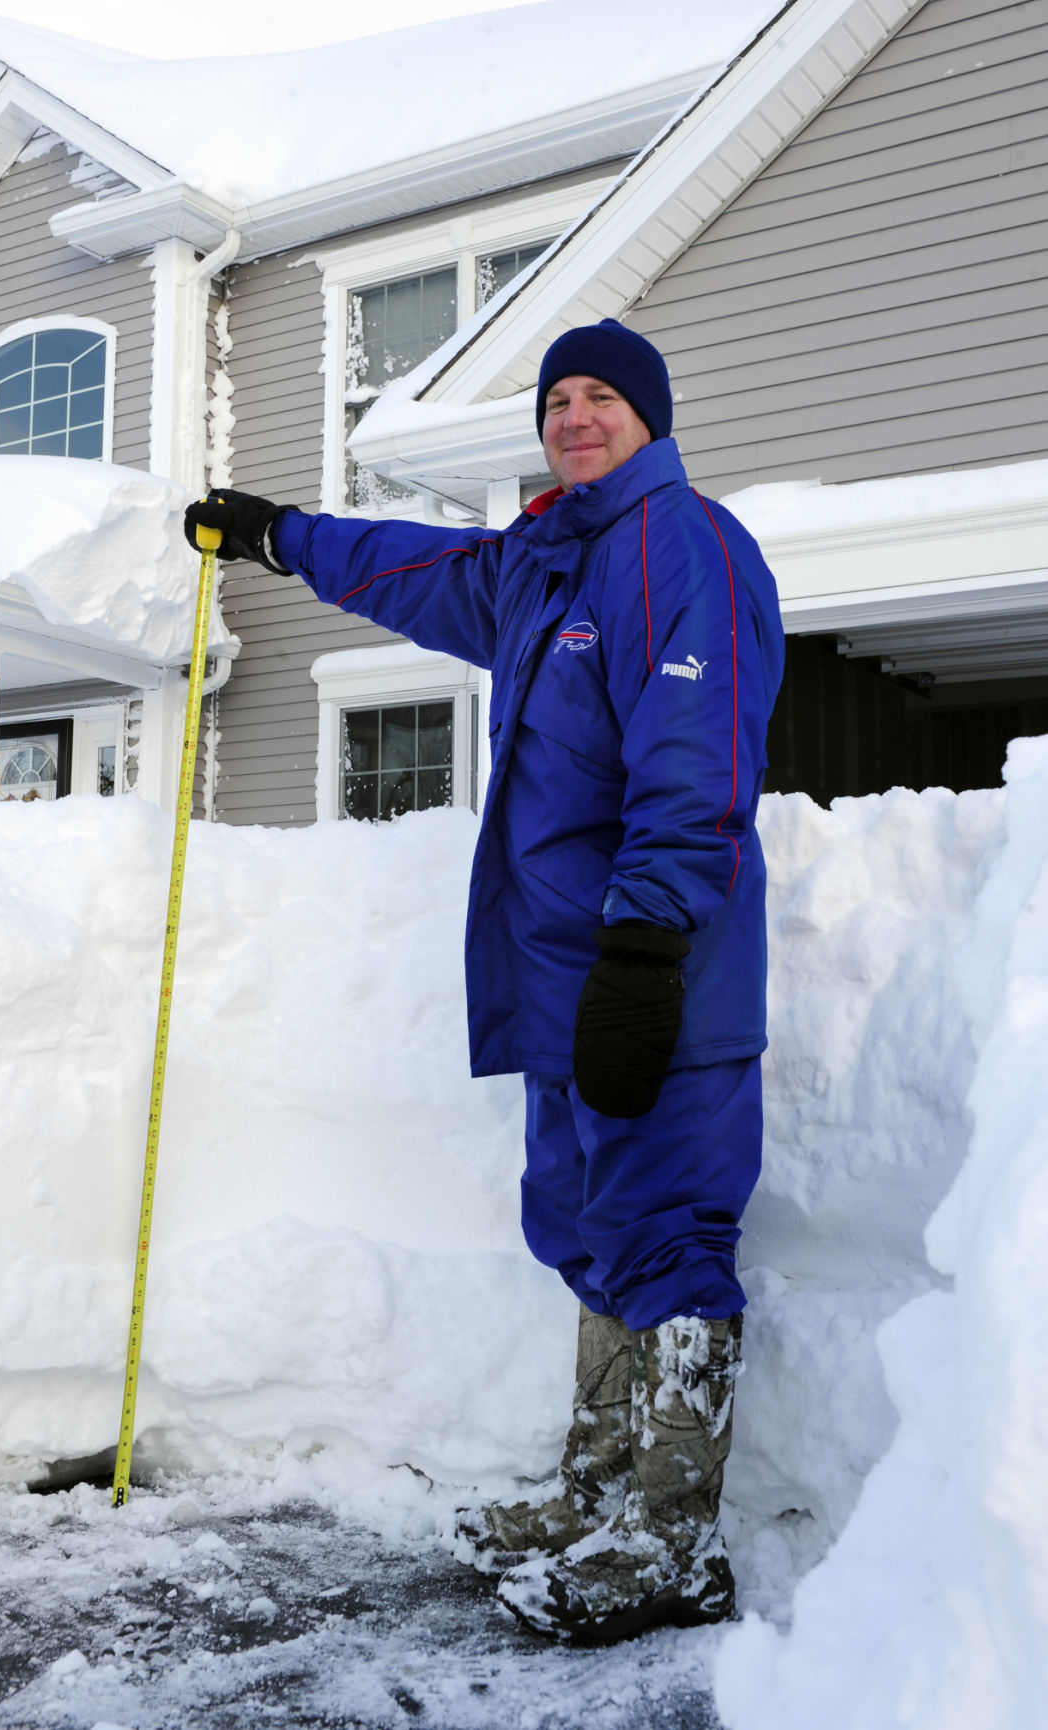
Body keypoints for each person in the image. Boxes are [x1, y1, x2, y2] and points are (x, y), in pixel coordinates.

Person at [184, 318, 785, 1646]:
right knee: (586, 1222)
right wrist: (279, 532)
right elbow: (405, 566)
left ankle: (672, 1541)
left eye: (599, 398)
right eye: (556, 397)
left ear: (649, 415)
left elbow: (696, 762)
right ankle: (597, 1492)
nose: (573, 416)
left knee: (669, 1236)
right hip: (559, 975)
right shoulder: (538, 561)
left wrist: (643, 950)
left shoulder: (682, 548)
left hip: (654, 973)